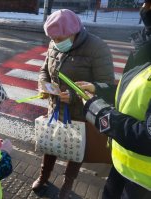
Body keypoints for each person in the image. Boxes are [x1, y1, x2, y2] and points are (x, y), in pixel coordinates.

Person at [34, 9, 115, 198]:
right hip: (55, 108)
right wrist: (43, 86)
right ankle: (43, 176)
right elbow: (44, 70)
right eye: (52, 38)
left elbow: (107, 87)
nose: (55, 42)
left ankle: (67, 186)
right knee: (50, 142)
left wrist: (74, 95)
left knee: (74, 148)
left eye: (59, 38)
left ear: (74, 31)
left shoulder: (97, 47)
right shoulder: (54, 43)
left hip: (80, 113)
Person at [77, 1, 151, 198]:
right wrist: (99, 90)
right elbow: (135, 93)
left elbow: (148, 136)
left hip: (142, 185)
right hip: (122, 166)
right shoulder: (146, 46)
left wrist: (98, 112)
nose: (144, 8)